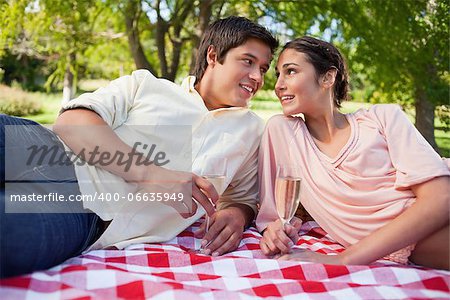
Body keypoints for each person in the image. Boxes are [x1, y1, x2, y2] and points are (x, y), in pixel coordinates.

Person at [0, 16, 278, 278]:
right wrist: (152, 175)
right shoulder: (146, 85)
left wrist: (238, 215)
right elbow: (71, 123)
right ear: (213, 56)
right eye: (248, 61)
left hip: (82, 217)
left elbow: (243, 197)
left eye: (263, 68)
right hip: (45, 150)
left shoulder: (252, 130)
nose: (257, 77)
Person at [256, 36, 450, 270]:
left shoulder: (383, 118)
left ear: (328, 77)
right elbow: (271, 213)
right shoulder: (282, 132)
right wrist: (273, 230)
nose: (278, 85)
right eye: (278, 74)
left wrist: (345, 259)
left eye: (291, 71)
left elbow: (441, 198)